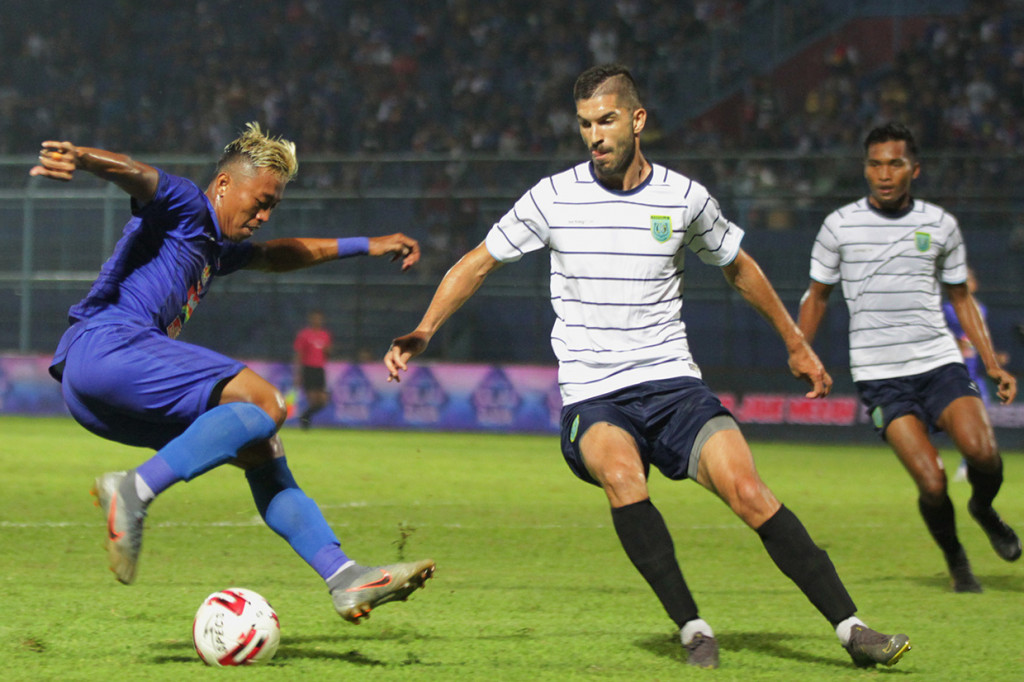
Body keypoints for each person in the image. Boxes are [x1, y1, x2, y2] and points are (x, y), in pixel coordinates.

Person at [384, 64, 909, 670]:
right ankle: (692, 628)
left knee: (749, 491)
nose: (594, 136)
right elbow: (477, 263)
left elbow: (739, 265)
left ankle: (852, 629)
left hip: (675, 387)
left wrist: (794, 340)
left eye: (605, 120)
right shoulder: (552, 197)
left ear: (636, 121)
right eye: (584, 125)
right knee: (624, 478)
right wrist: (425, 327)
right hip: (595, 395)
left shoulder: (685, 199)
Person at [31, 122, 435, 623]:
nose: (264, 215)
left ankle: (344, 576)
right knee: (265, 403)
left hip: (92, 395)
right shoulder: (188, 206)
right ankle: (132, 491)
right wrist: (85, 158)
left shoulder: (215, 249)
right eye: (260, 201)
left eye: (273, 207)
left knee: (261, 449)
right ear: (224, 185)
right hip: (107, 347)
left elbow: (276, 255)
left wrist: (366, 244)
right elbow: (138, 175)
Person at [798, 122, 1021, 594]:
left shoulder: (940, 225)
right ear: (865, 169)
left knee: (983, 454)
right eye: (875, 164)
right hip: (880, 376)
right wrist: (802, 350)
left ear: (913, 170)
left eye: (894, 164)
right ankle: (956, 559)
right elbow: (817, 296)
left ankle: (983, 508)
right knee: (933, 481)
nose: (883, 173)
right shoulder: (839, 225)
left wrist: (992, 363)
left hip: (938, 362)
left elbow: (960, 298)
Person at [943, 268, 1008, 482]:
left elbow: (980, 337)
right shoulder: (947, 309)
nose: (966, 284)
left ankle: (967, 466)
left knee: (981, 421)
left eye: (969, 280)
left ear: (975, 284)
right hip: (951, 374)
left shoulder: (981, 310)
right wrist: (954, 342)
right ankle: (934, 458)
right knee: (950, 422)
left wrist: (994, 357)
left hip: (975, 376)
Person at [294, 309, 333, 429]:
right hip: (308, 368)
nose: (317, 320)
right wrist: (298, 373)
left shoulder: (325, 335)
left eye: (319, 318)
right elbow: (299, 354)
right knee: (312, 399)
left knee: (323, 400)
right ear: (311, 319)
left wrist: (328, 351)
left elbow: (328, 352)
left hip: (319, 369)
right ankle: (305, 421)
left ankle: (305, 415)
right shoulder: (304, 334)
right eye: (314, 318)